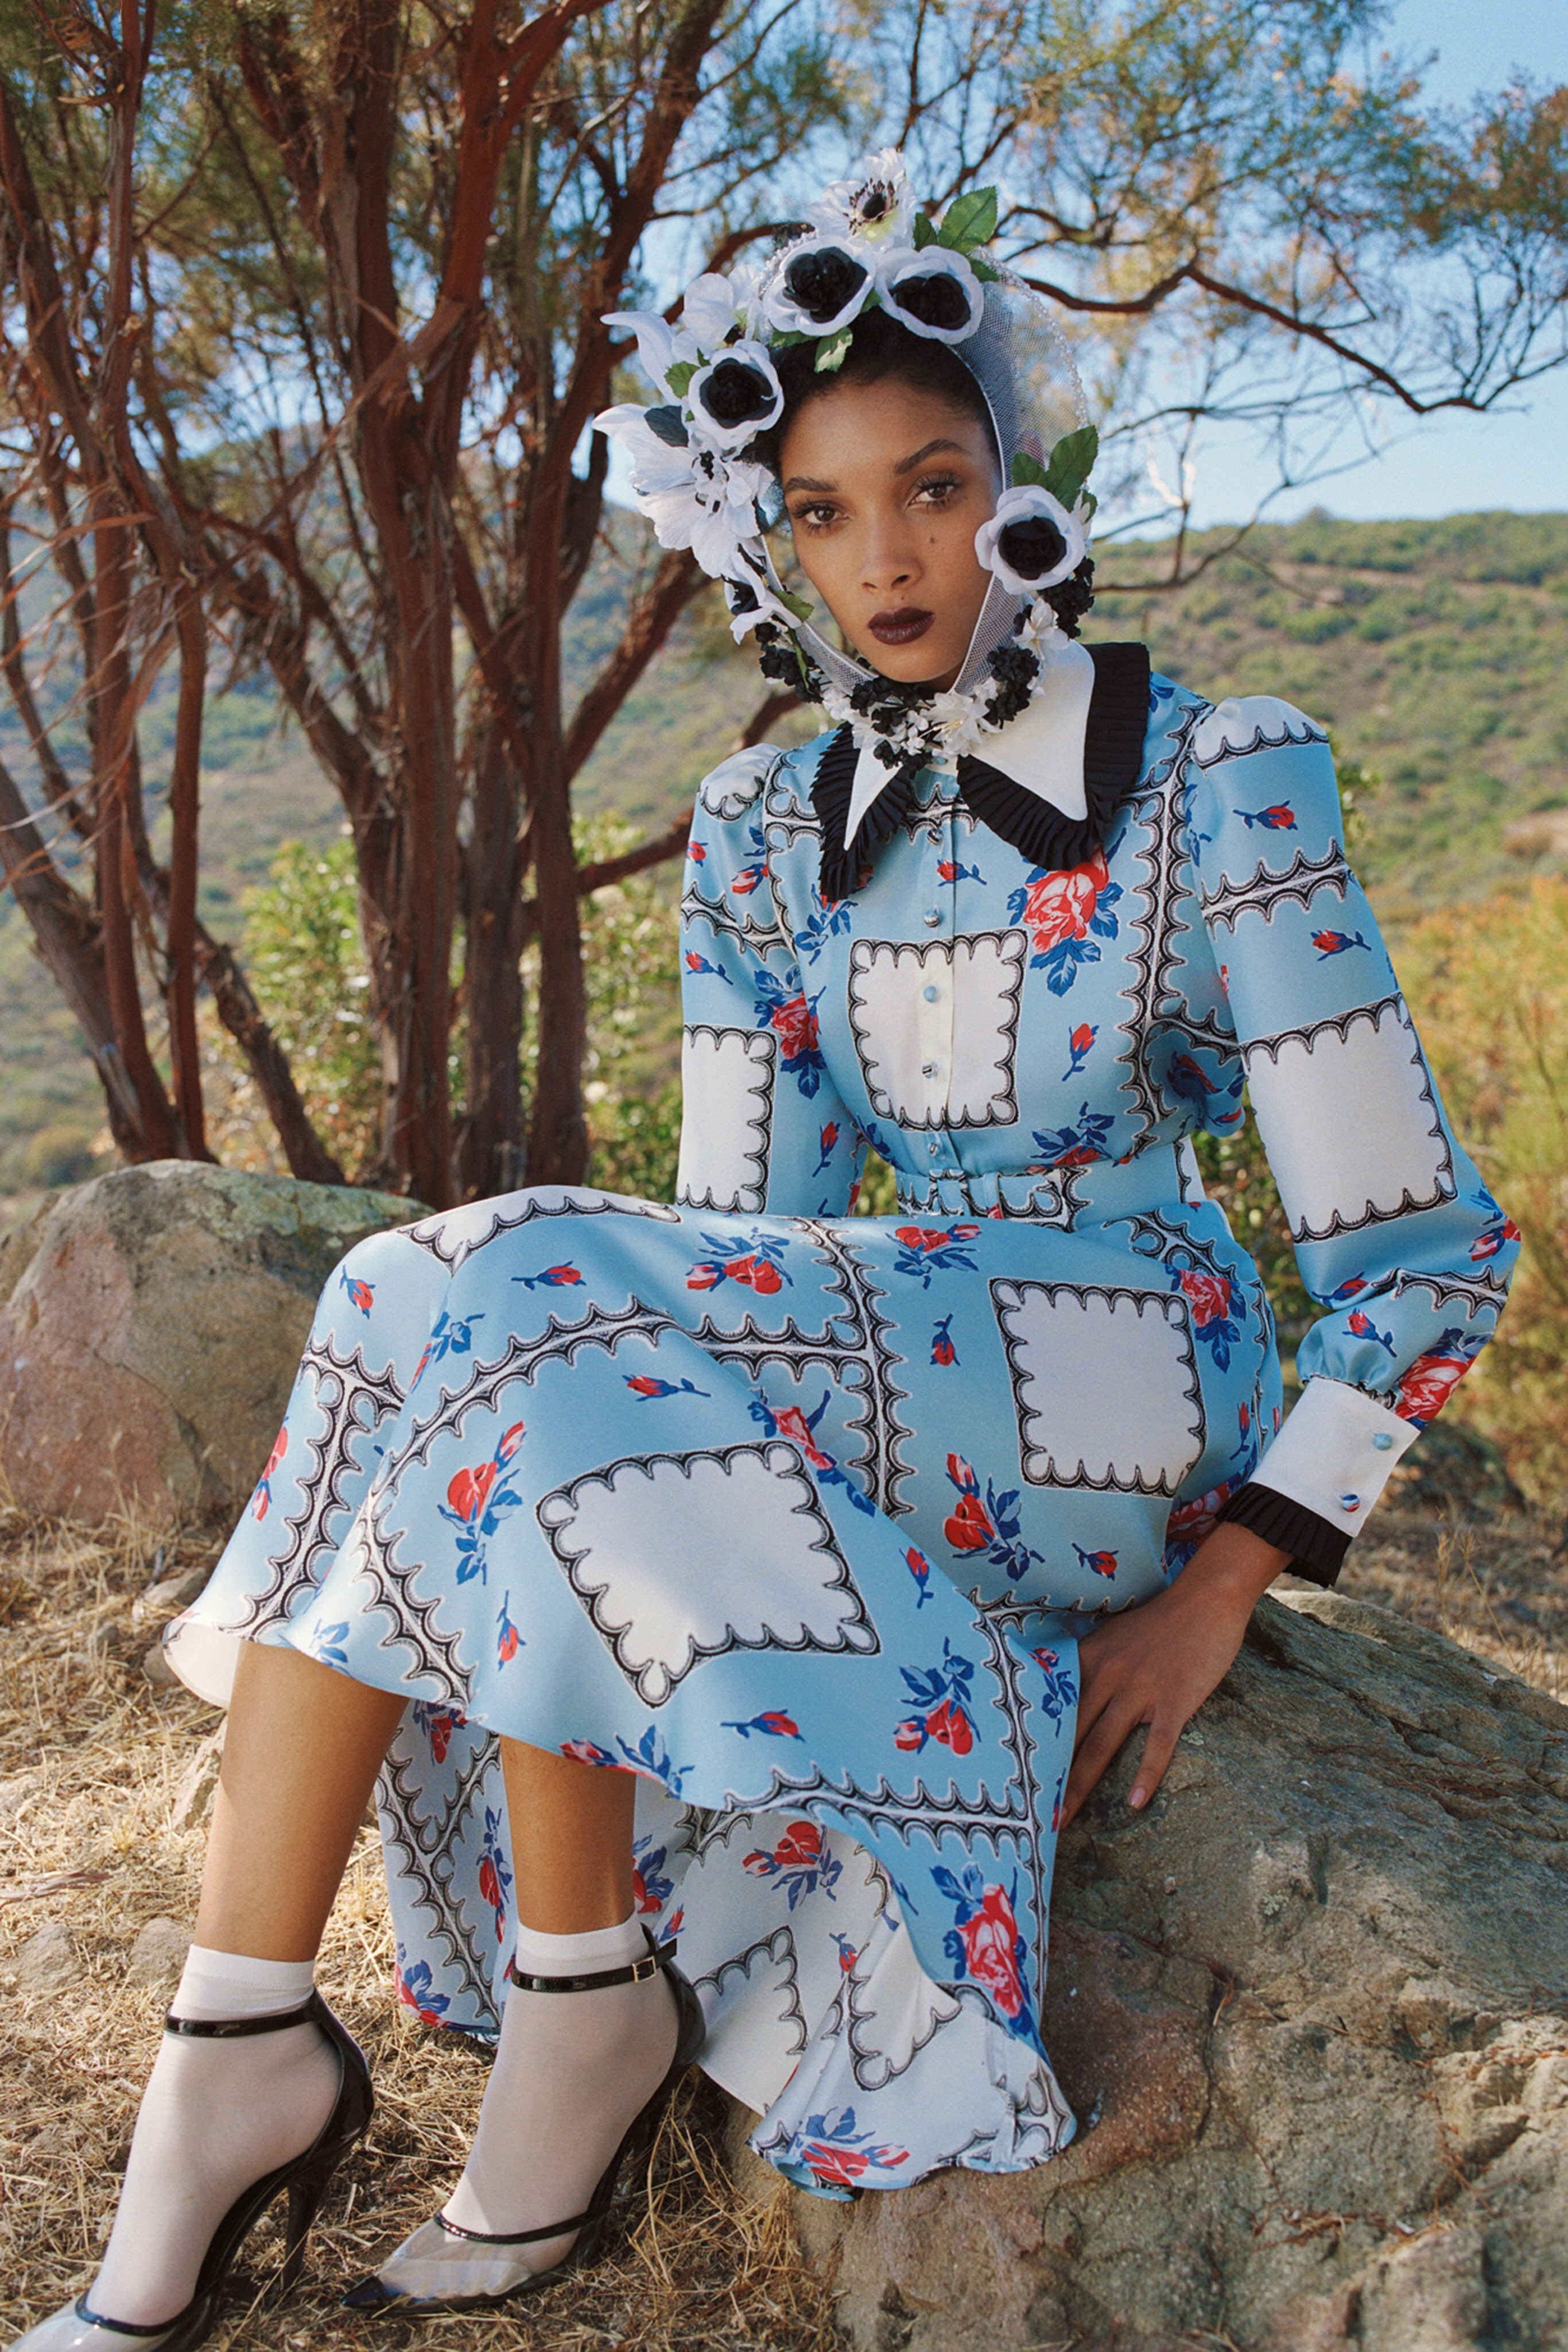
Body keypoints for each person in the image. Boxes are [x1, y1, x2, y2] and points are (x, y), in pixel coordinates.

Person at [10, 149, 1518, 2350]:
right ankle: (291, 2022)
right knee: (448, 1297)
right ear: (768, 535)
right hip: (901, 1343)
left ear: (1016, 485)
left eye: (931, 488)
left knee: (505, 1280)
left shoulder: (1220, 769)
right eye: (823, 511)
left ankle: (465, 2027)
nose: (885, 557)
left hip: (1132, 1372)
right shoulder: (756, 828)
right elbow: (727, 1252)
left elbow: (1424, 1253)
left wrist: (1227, 1582)